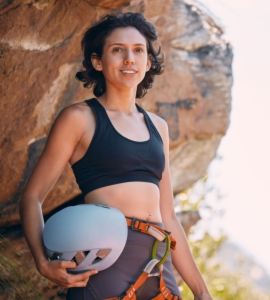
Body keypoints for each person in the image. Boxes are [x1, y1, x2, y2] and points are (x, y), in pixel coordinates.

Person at [19, 12, 212, 300]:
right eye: (117, 50)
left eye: (138, 50)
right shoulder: (78, 118)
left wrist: (201, 291)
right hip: (104, 263)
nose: (129, 59)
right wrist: (42, 261)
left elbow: (168, 215)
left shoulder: (159, 126)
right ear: (98, 61)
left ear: (148, 62)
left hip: (160, 264)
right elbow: (31, 197)